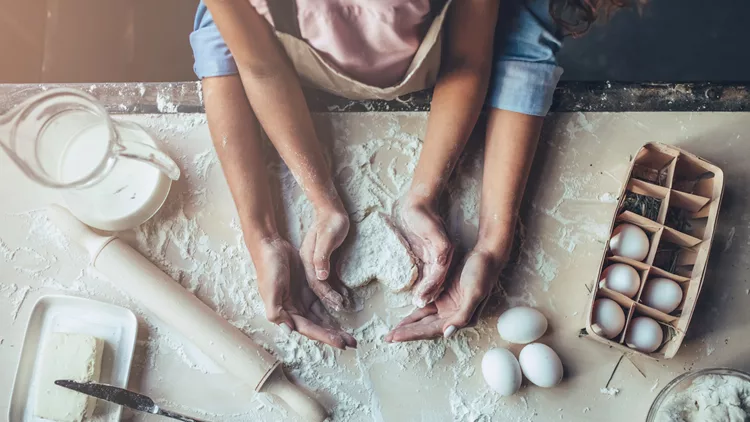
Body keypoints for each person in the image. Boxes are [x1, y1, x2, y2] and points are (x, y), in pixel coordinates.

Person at [190, 0, 634, 348]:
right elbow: (257, 63)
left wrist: (490, 240)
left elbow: (472, 56)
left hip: (450, 60)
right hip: (287, 69)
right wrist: (266, 229)